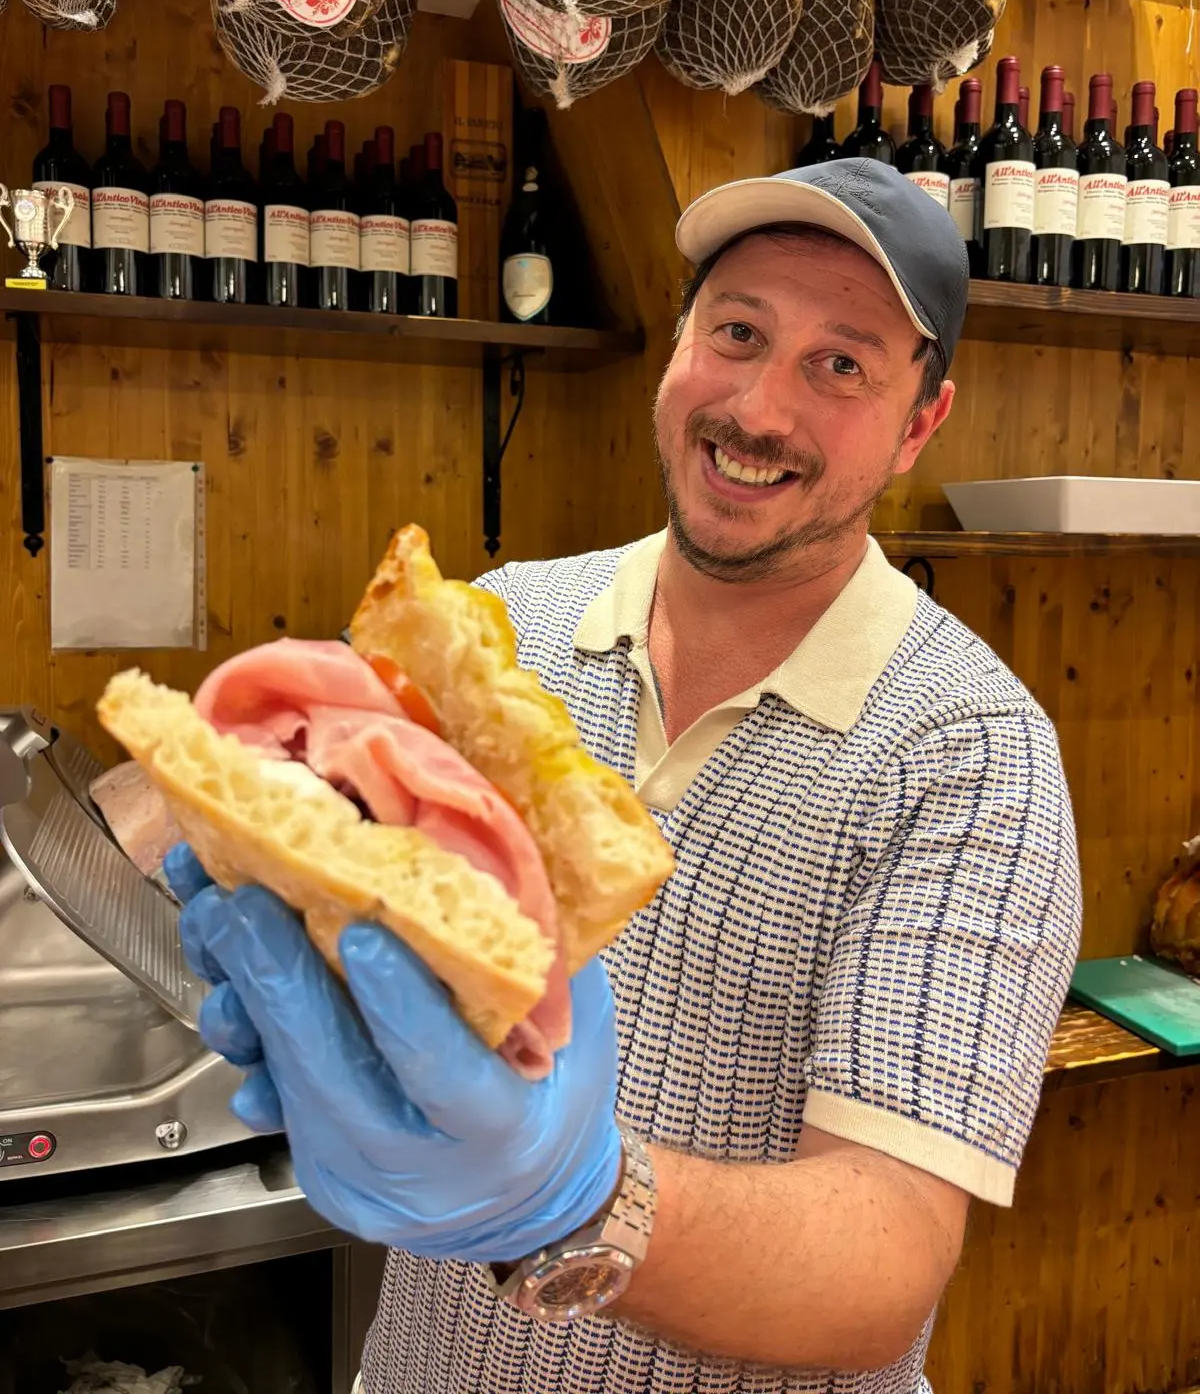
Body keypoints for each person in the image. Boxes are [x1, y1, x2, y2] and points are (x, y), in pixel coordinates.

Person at [170, 159, 1082, 1394]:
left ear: (922, 421)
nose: (758, 408)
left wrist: (575, 1197)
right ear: (678, 346)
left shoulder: (970, 749)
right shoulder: (499, 622)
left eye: (842, 364)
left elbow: (886, 1254)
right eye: (738, 331)